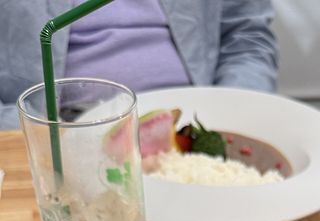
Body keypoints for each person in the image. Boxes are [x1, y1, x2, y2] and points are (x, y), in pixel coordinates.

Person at [0, 0, 279, 129]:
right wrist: (34, 131)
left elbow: (247, 40)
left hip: (196, 124)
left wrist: (229, 114)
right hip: (57, 137)